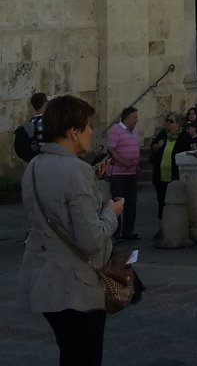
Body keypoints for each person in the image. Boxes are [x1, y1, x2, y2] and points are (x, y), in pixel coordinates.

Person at [18, 94, 123, 366]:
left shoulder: (33, 167)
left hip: (44, 282)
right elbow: (91, 239)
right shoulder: (77, 171)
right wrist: (111, 214)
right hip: (76, 287)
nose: (91, 131)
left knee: (70, 354)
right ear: (72, 131)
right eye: (87, 125)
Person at [106, 105, 141, 241]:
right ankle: (116, 232)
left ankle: (128, 231)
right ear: (127, 118)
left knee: (131, 203)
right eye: (134, 117)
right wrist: (123, 162)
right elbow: (111, 149)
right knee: (118, 203)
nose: (136, 120)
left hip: (131, 173)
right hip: (119, 173)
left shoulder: (133, 132)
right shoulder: (116, 130)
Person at [149, 111, 190, 220]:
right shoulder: (163, 134)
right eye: (167, 121)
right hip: (160, 175)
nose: (168, 124)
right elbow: (153, 146)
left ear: (178, 123)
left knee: (175, 202)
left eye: (171, 121)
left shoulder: (184, 136)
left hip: (175, 175)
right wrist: (158, 146)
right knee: (161, 202)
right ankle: (162, 226)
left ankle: (174, 225)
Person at [14, 91, 48, 163]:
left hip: (34, 157)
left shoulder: (32, 121)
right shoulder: (46, 121)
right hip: (45, 157)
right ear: (45, 103)